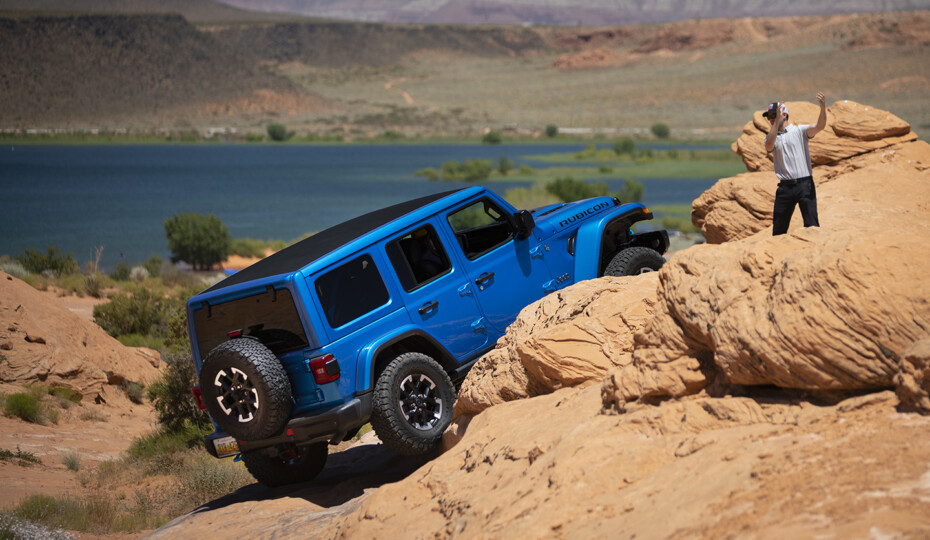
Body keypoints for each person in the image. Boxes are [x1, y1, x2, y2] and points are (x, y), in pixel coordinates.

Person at [763, 92, 827, 235]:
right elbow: (768, 146)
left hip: (804, 185)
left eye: (774, 116)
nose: (771, 119)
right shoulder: (771, 137)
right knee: (778, 230)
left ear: (784, 115)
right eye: (769, 117)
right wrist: (775, 123)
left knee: (812, 226)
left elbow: (819, 126)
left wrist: (822, 108)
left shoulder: (799, 131)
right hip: (785, 188)